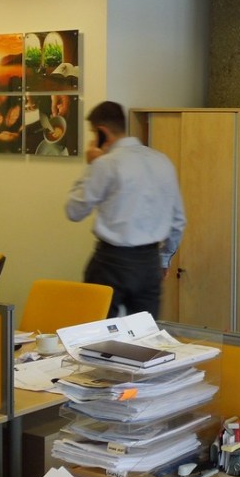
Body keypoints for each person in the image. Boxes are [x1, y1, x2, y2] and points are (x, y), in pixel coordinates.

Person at [66, 101, 186, 319]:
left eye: (93, 133)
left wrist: (91, 165)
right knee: (144, 334)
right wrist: (164, 258)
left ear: (102, 132)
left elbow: (74, 211)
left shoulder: (106, 164)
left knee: (98, 332)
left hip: (111, 261)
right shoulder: (162, 161)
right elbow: (178, 220)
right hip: (150, 262)